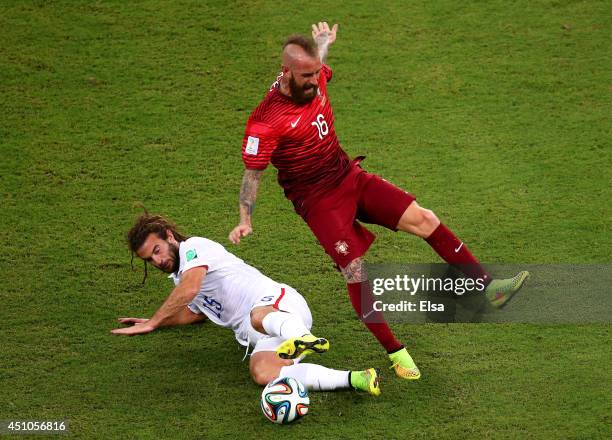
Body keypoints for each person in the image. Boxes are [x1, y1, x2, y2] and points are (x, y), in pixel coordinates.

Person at [228, 22, 529, 380]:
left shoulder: (314, 74)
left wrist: (323, 44)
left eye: (315, 72)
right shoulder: (266, 121)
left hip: (349, 177)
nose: (315, 80)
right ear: (286, 72)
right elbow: (252, 175)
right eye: (306, 75)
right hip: (319, 201)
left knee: (424, 219)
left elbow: (317, 64)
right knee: (356, 271)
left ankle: (490, 288)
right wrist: (245, 217)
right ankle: (396, 353)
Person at [111, 212, 380, 396]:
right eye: (149, 259)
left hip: (277, 305)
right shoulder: (180, 276)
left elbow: (190, 288)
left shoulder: (194, 248)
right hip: (267, 330)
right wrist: (153, 323)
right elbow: (193, 313)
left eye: (156, 251)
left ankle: (303, 337)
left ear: (169, 236)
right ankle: (356, 378)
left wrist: (154, 322)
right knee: (263, 373)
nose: (157, 261)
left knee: (256, 316)